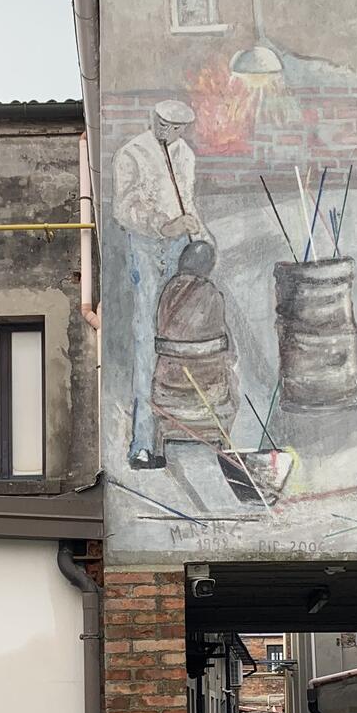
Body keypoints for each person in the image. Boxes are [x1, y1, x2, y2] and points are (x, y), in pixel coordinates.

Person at [112, 99, 207, 468]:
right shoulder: (131, 154)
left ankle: (177, 431)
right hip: (147, 248)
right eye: (163, 124)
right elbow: (124, 209)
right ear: (154, 120)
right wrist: (162, 226)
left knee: (181, 336)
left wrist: (199, 233)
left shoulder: (186, 155)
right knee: (147, 339)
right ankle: (142, 443)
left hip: (180, 246)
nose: (168, 132)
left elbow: (188, 201)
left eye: (176, 127)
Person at [149, 239, 238, 447]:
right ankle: (222, 439)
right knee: (231, 377)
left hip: (168, 389)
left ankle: (163, 441)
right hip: (206, 392)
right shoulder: (212, 294)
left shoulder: (168, 292)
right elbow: (226, 347)